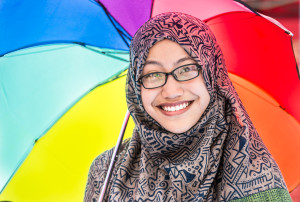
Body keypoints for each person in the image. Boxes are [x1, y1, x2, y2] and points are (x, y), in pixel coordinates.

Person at [84, 12, 291, 201]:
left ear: (213, 75)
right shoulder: (106, 171)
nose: (171, 91)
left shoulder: (257, 175)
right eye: (152, 74)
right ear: (135, 87)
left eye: (187, 69)